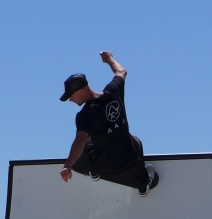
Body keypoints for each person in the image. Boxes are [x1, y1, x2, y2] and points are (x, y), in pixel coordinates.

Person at [59, 50, 158, 196]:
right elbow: (121, 71)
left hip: (105, 167)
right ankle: (143, 185)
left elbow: (80, 141)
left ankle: (93, 171)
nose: (70, 100)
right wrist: (110, 59)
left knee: (83, 143)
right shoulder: (113, 91)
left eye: (71, 96)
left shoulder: (84, 115)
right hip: (129, 160)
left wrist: (68, 165)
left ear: (81, 91)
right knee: (136, 142)